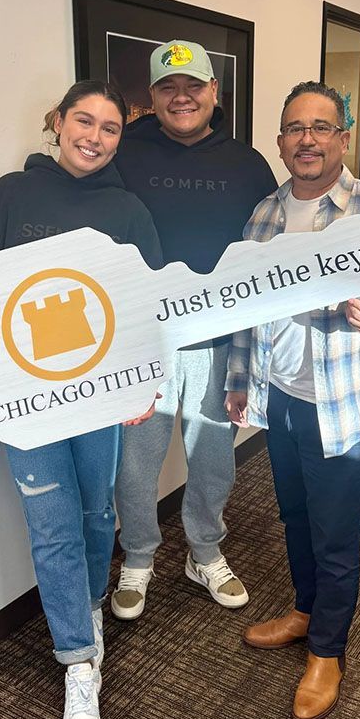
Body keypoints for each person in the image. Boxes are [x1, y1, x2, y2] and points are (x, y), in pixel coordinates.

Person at [0, 80, 162, 719]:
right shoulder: (12, 194)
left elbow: (148, 305)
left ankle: (86, 610)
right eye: (83, 120)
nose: (94, 135)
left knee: (97, 512)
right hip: (26, 400)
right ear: (57, 122)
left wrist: (145, 379)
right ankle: (78, 660)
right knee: (51, 520)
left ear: (121, 137)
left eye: (110, 127)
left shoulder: (127, 209)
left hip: (98, 396)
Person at [224, 80, 360, 719]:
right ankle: (304, 609)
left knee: (336, 530)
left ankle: (328, 649)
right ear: (281, 141)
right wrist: (240, 379)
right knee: (295, 516)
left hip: (347, 403)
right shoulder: (263, 217)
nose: (308, 140)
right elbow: (244, 308)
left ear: (343, 137)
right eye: (296, 128)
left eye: (321, 127)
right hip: (282, 397)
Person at [111, 40, 277, 618]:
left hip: (217, 336)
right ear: (152, 97)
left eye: (193, 86)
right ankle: (137, 557)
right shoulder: (123, 153)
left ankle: (204, 549)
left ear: (214, 92)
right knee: (135, 460)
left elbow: (267, 251)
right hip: (142, 339)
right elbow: (78, 198)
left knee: (213, 455)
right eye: (167, 87)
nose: (181, 97)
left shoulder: (246, 163)